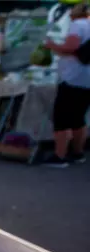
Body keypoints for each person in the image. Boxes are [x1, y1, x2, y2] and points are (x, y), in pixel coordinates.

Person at [44, 3, 90, 167]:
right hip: (87, 80)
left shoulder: (78, 25)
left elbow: (71, 47)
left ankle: (60, 155)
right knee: (78, 117)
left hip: (73, 78)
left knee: (62, 117)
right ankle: (77, 153)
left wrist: (52, 46)